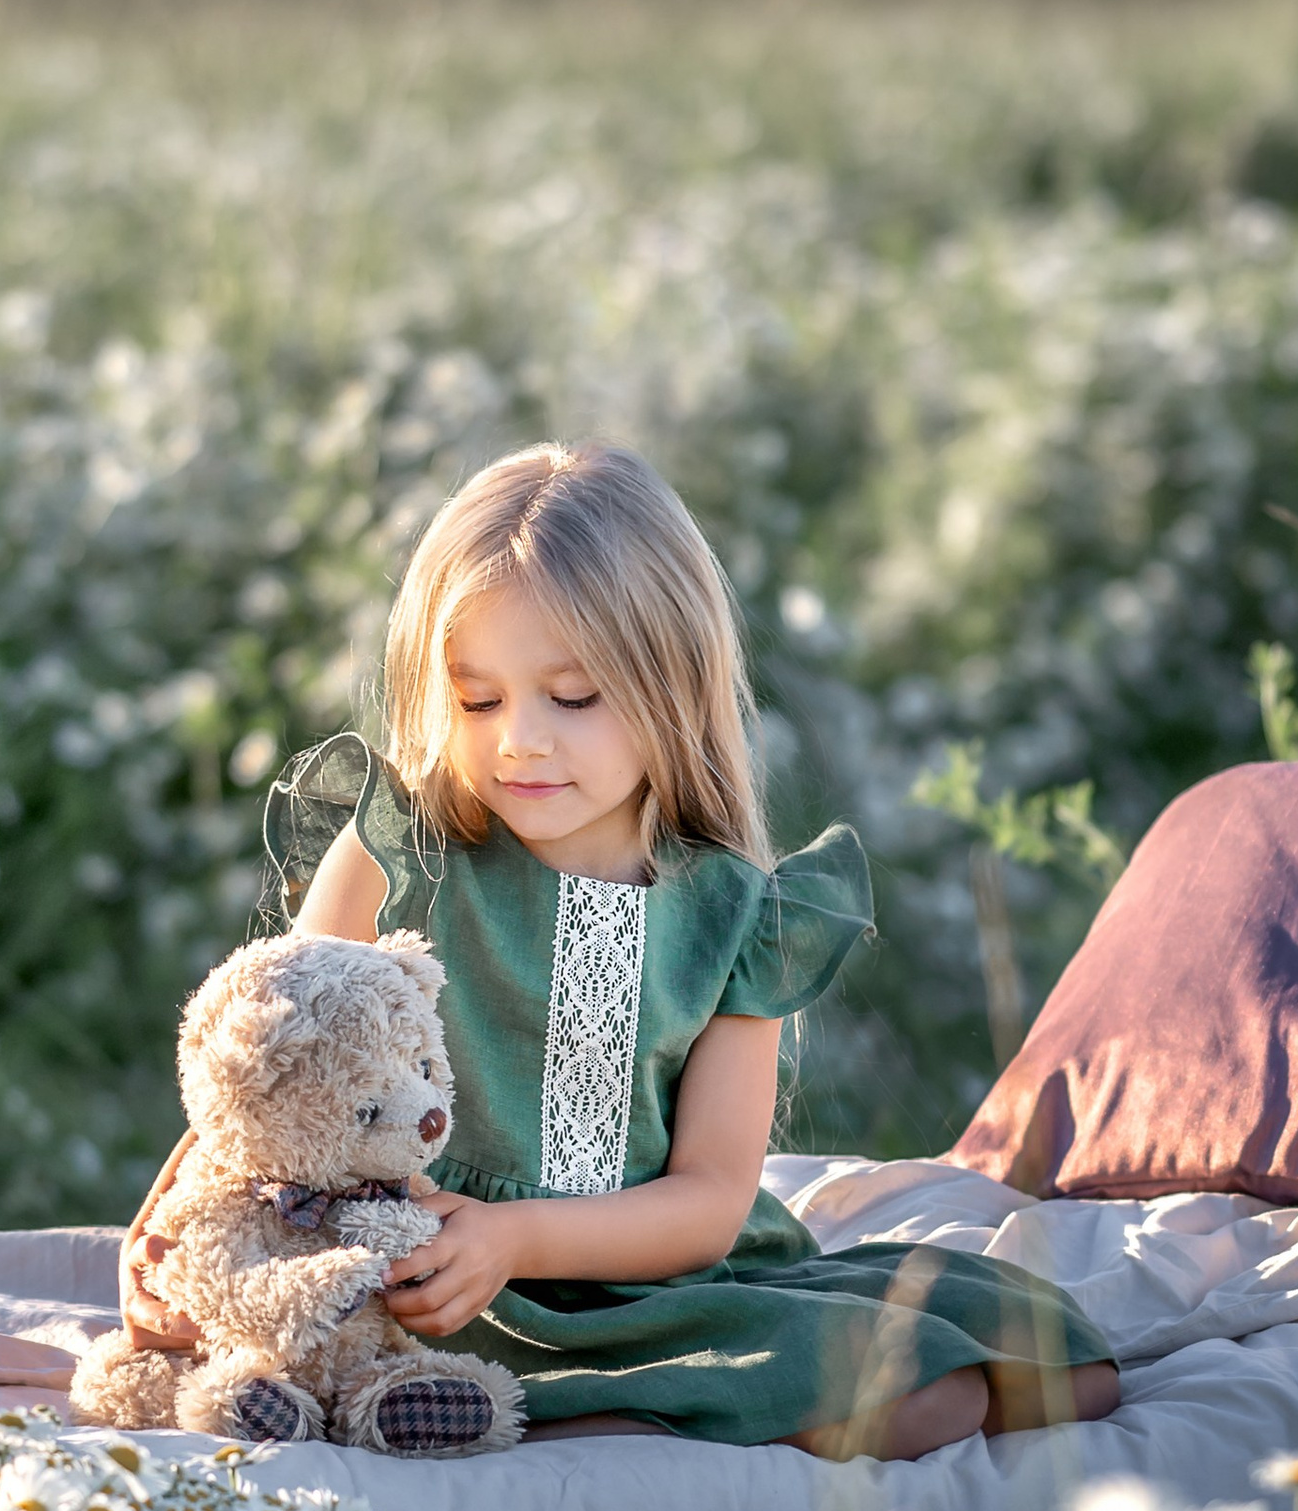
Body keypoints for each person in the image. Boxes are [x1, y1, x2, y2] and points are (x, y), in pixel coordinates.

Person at [121, 440, 1119, 1459]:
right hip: (429, 1289)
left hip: (648, 1284)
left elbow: (708, 1203)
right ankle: (604, 1421)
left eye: (573, 696)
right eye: (477, 699)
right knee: (931, 1411)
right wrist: (163, 1236)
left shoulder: (737, 913)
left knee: (1050, 1370)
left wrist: (519, 1234)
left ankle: (627, 1401)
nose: (519, 740)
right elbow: (267, 1074)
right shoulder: (400, 849)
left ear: (672, 685)